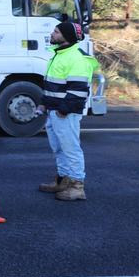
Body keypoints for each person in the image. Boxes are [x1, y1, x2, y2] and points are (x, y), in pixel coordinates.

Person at [38, 20, 98, 202]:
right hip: (55, 111)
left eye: (56, 32)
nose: (52, 34)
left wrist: (63, 110)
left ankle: (77, 186)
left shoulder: (76, 58)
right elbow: (53, 85)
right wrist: (44, 103)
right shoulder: (59, 54)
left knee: (70, 149)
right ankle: (63, 180)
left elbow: (78, 90)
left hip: (65, 113)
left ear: (66, 37)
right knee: (59, 148)